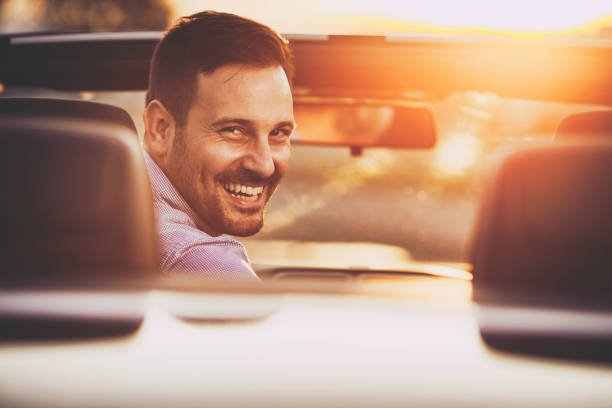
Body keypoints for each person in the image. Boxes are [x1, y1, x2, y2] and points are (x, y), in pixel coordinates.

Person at [142, 11, 295, 280]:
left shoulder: (85, 210)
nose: (265, 165)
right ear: (160, 129)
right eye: (234, 130)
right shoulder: (203, 263)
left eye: (278, 133)